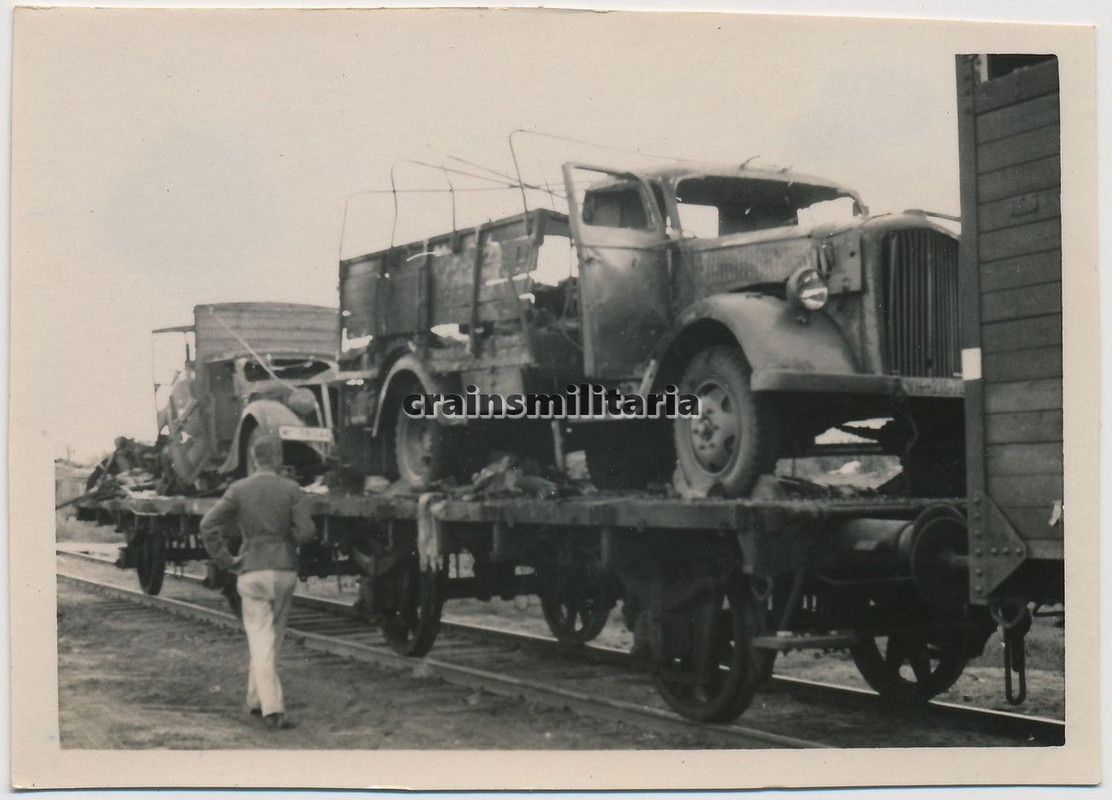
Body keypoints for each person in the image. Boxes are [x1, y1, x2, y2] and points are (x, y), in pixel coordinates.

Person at [200, 434, 316, 730]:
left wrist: (226, 561)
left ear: (253, 459)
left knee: (260, 638)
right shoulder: (291, 489)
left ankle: (271, 708)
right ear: (278, 459)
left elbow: (207, 525)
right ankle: (258, 700)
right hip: (285, 569)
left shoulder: (238, 489)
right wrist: (285, 539)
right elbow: (306, 533)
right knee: (271, 639)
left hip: (252, 569)